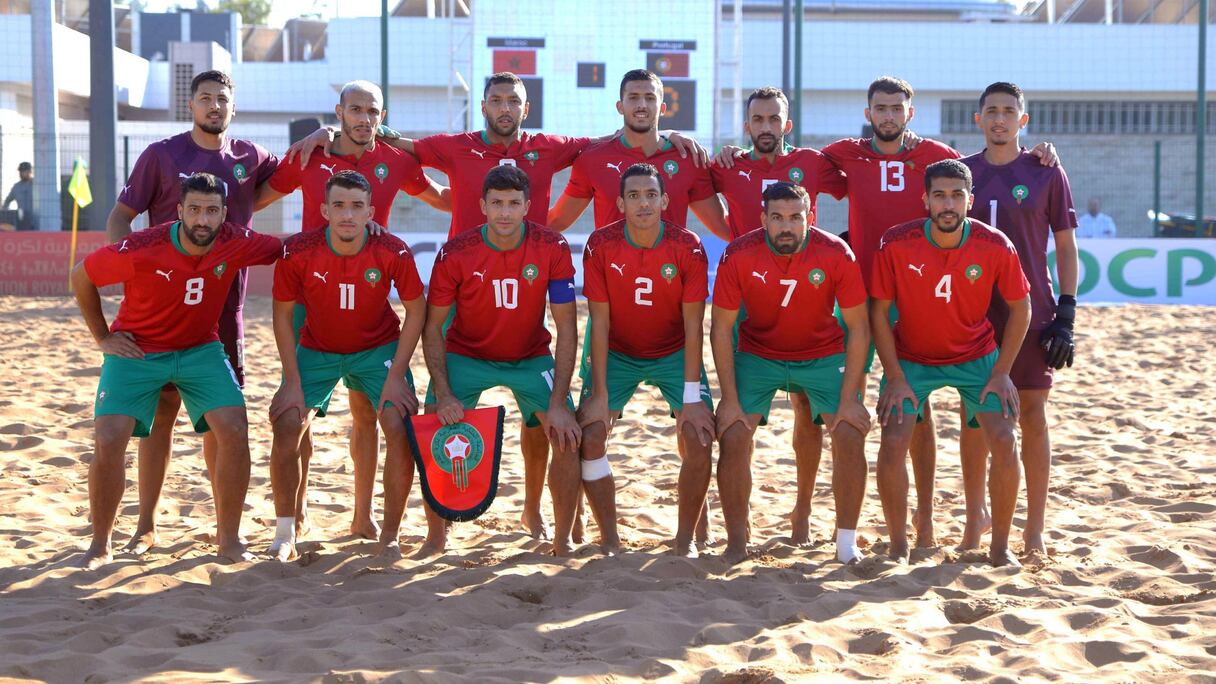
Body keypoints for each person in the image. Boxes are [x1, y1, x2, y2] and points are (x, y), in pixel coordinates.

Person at [287, 72, 708, 541]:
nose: (505, 107)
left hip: (527, 320)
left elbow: (611, 140)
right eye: (497, 100)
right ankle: (433, 532)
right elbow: (400, 144)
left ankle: (535, 511)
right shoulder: (454, 146)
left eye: (514, 101)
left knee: (547, 421)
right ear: (483, 105)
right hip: (467, 308)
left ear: (526, 109)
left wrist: (666, 136)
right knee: (433, 415)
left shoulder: (550, 149)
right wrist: (331, 131)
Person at [254, 79, 449, 542]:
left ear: (383, 116)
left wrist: (509, 208)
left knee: (369, 415)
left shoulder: (396, 159)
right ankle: (295, 518)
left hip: (368, 295)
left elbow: (444, 199)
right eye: (355, 109)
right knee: (297, 414)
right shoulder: (308, 155)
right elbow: (255, 199)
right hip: (308, 296)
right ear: (338, 111)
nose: (364, 118)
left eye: (373, 111)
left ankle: (363, 517)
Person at [105, 70, 280, 555]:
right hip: (161, 308)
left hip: (225, 310)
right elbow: (120, 216)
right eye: (205, 98)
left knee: (221, 419)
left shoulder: (250, 156)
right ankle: (145, 526)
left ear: (233, 106)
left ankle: (226, 531)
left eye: (222, 99)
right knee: (159, 416)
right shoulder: (161, 155)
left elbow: (283, 182)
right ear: (192, 105)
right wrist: (132, 269)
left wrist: (315, 139)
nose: (214, 106)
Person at [70, 172, 282, 570]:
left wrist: (357, 231)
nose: (203, 220)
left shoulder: (235, 239)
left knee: (235, 427)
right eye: (196, 210)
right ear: (180, 210)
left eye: (212, 211)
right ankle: (100, 544)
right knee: (110, 437)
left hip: (200, 349)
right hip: (137, 349)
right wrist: (102, 337)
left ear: (224, 214)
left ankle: (229, 540)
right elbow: (80, 276)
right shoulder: (143, 245)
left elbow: (288, 249)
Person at [869, 159, 1031, 567]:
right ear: (925, 200)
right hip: (913, 360)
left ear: (970, 201)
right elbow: (878, 312)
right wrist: (894, 377)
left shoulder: (995, 244)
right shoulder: (896, 242)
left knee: (1006, 439)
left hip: (976, 359)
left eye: (957, 195)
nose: (948, 204)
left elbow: (1021, 308)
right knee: (892, 440)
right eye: (939, 195)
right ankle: (898, 546)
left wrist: (1001, 373)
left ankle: (999, 548)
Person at [709, 86, 850, 545]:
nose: (766, 127)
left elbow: (864, 184)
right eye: (758, 119)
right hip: (747, 293)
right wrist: (732, 234)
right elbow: (685, 185)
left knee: (809, 413)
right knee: (733, 417)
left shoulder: (812, 163)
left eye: (774, 119)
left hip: (804, 291)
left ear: (786, 125)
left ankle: (803, 512)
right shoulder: (728, 166)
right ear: (746, 125)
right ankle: (734, 526)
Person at [421, 165, 582, 555]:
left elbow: (567, 328)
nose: (505, 213)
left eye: (513, 204)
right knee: (434, 427)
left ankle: (556, 534)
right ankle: (436, 535)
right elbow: (433, 328)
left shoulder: (551, 247)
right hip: (467, 354)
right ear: (483, 206)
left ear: (528, 205)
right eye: (497, 204)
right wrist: (443, 393)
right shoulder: (456, 252)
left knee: (564, 434)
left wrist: (559, 402)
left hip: (529, 357)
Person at [268, 170, 426, 561]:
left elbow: (417, 311)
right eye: (339, 206)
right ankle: (285, 531)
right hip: (318, 348)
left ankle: (388, 534)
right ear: (324, 210)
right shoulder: (299, 251)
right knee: (287, 422)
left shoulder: (393, 249)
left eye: (357, 207)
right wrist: (291, 380)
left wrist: (395, 376)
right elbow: (282, 315)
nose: (348, 215)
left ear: (371, 211)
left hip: (377, 349)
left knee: (400, 423)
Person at [711, 182, 871, 564]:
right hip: (759, 354)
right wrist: (729, 400)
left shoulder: (836, 253)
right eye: (778, 218)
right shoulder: (739, 254)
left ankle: (845, 545)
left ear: (809, 218)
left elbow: (860, 328)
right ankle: (736, 542)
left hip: (821, 355)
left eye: (796, 218)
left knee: (849, 432)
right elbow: (719, 328)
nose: (787, 226)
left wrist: (850, 399)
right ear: (763, 219)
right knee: (732, 432)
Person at [960, 82, 1078, 556]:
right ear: (979, 120)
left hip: (1030, 312)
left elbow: (1066, 246)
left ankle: (1034, 529)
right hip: (971, 316)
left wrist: (1067, 312)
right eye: (991, 111)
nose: (1000, 119)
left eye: (1010, 111)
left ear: (1023, 120)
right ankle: (975, 520)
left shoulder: (1046, 171)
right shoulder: (961, 173)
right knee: (974, 420)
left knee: (1032, 415)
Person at [577, 163, 715, 557]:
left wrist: (691, 397)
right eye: (634, 196)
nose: (643, 203)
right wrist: (600, 394)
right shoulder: (600, 245)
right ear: (620, 203)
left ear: (665, 201)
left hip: (674, 351)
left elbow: (695, 327)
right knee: (590, 435)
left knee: (698, 436)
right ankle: (610, 539)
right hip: (618, 352)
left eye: (651, 195)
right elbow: (598, 324)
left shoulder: (687, 246)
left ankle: (687, 540)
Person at [547, 69, 728, 236]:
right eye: (633, 97)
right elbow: (556, 220)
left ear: (663, 108)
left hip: (669, 270)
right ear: (620, 106)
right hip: (612, 270)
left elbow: (724, 226)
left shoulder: (688, 159)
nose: (642, 105)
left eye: (650, 98)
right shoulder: (592, 159)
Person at [3, 161, 34, 230]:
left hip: (36, 219)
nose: (21, 173)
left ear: (30, 171)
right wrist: (6, 215)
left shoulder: (36, 185)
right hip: (22, 220)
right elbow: (7, 201)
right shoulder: (16, 187)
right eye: (20, 171)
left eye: (24, 171)